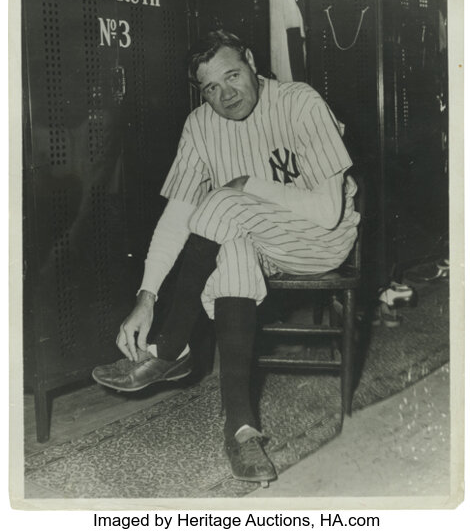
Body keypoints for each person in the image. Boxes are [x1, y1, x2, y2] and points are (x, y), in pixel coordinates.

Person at [92, 30, 360, 486]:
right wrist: (146, 296)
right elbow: (177, 217)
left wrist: (246, 184)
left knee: (223, 201)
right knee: (231, 249)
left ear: (252, 61)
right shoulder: (199, 125)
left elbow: (327, 210)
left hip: (319, 241)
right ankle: (241, 429)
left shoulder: (300, 102)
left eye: (232, 75)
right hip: (251, 239)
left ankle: (171, 348)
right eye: (210, 87)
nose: (225, 94)